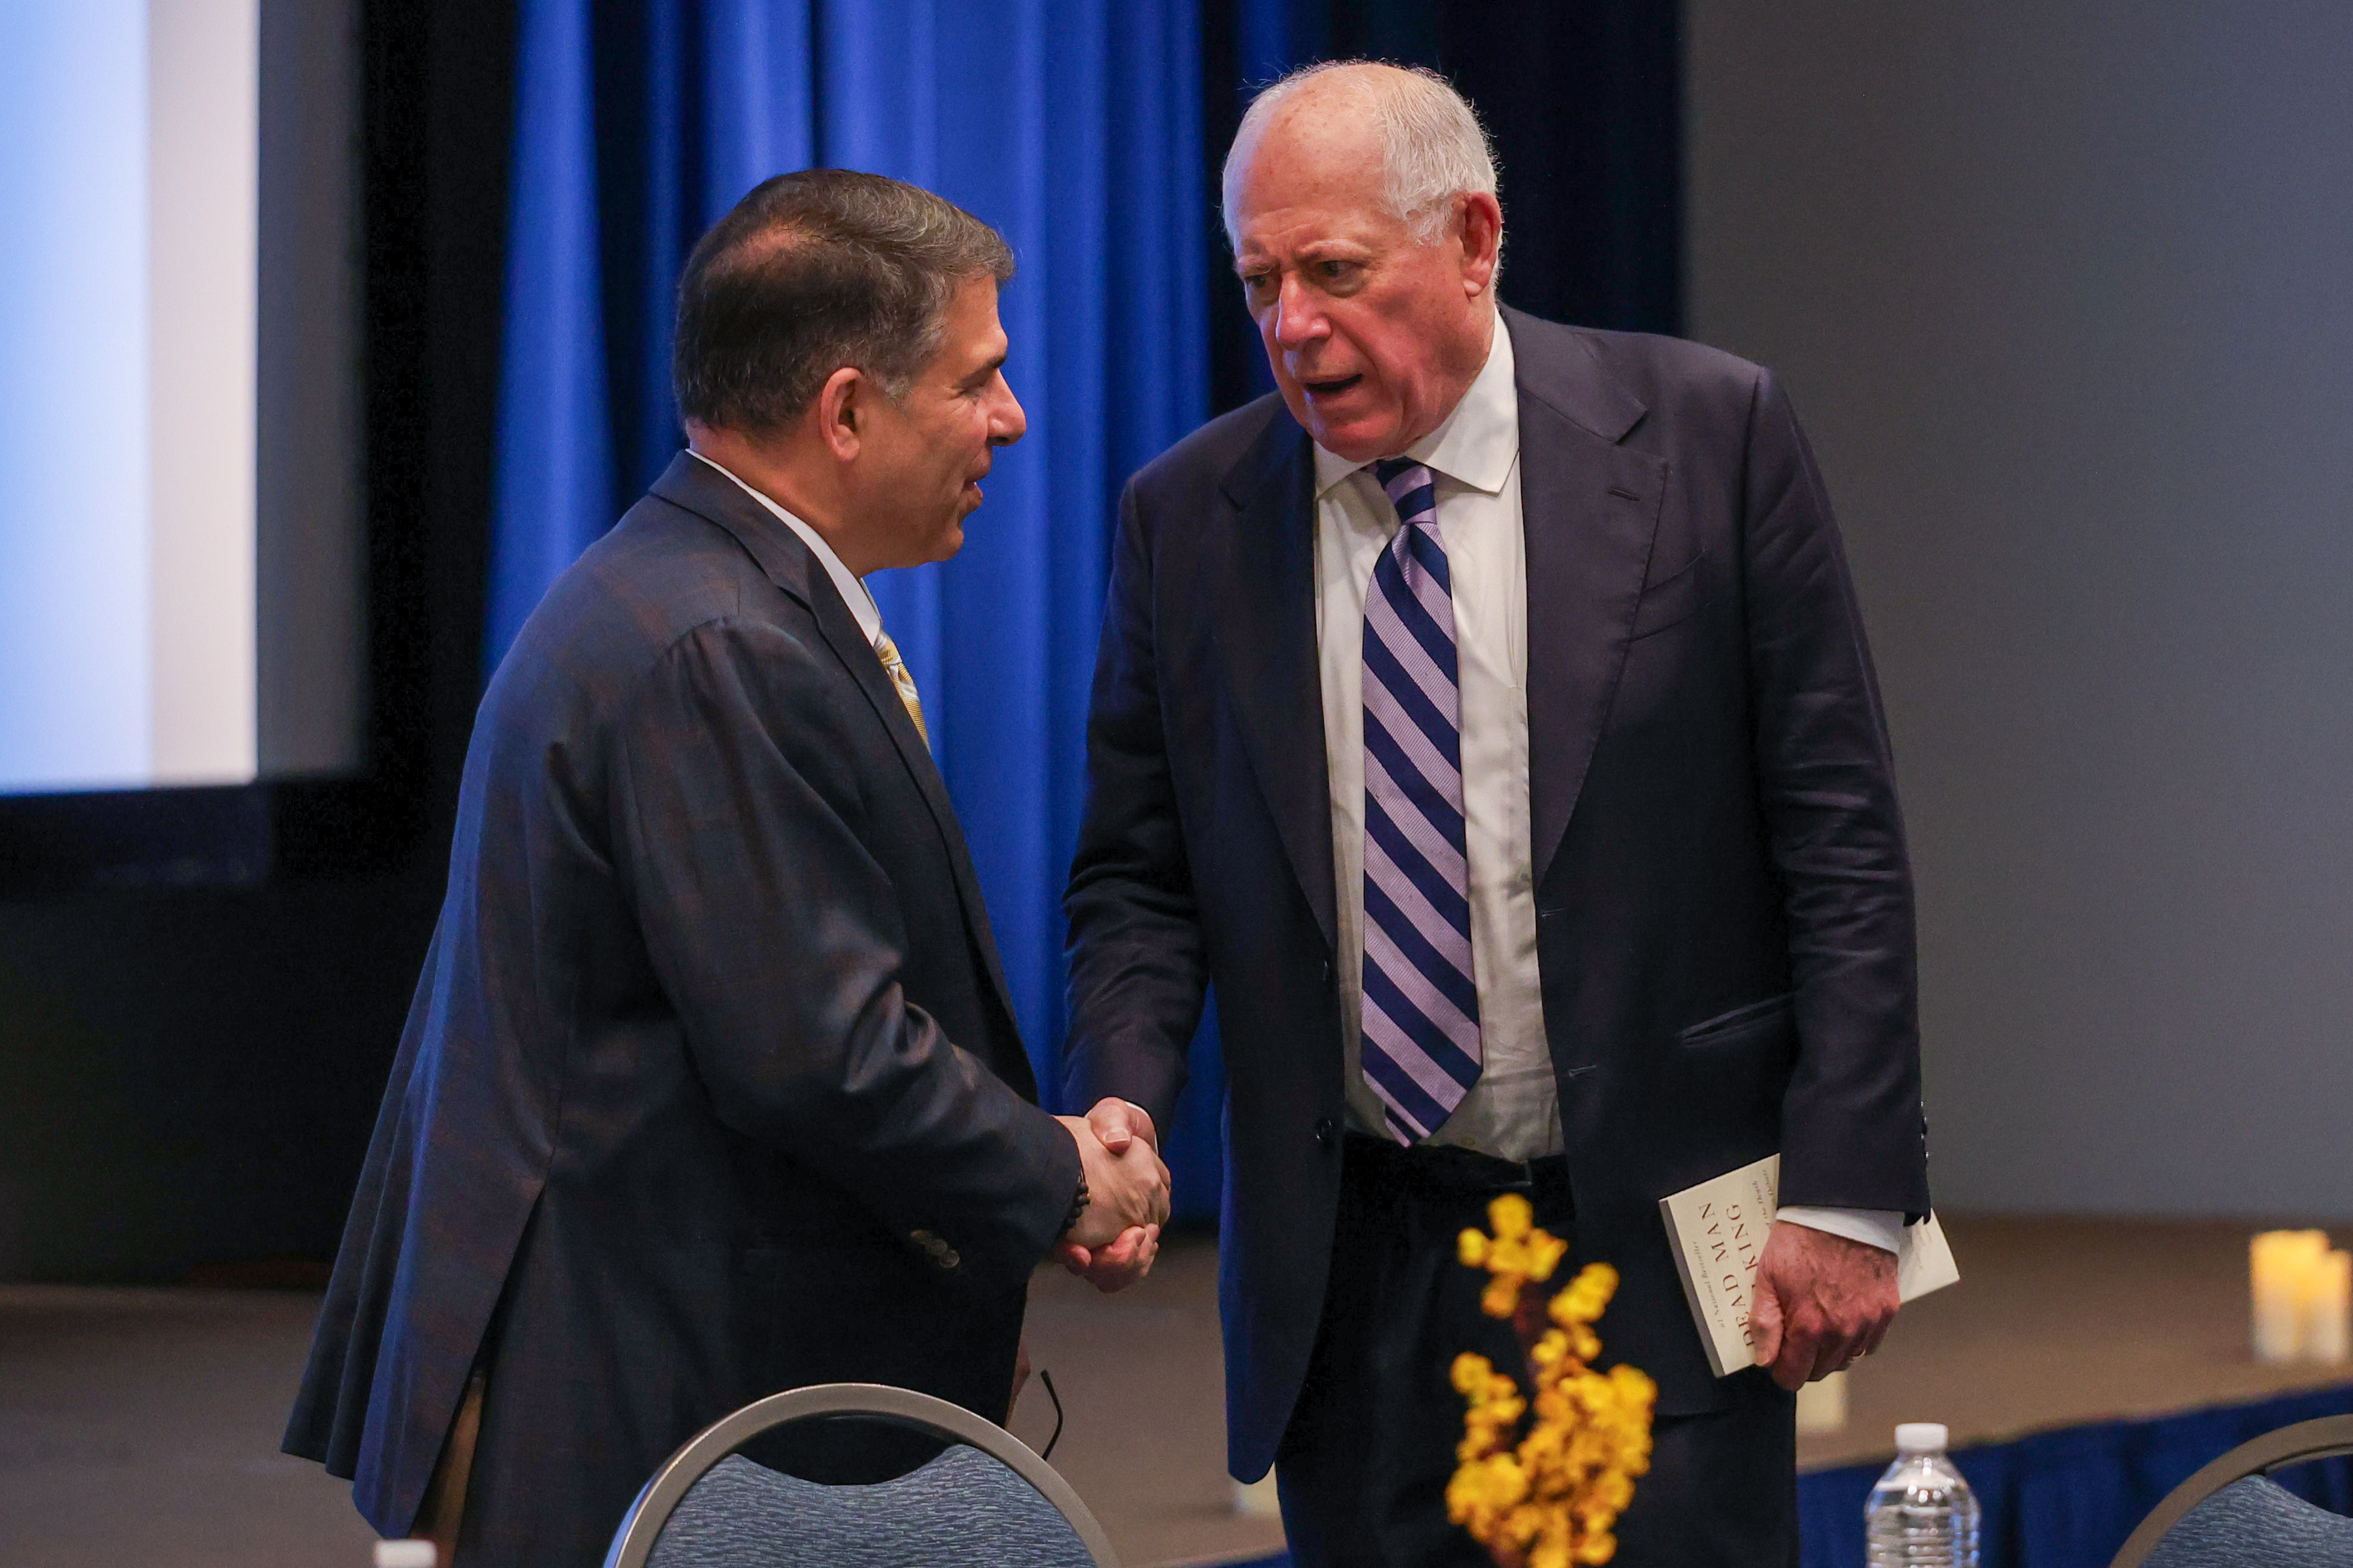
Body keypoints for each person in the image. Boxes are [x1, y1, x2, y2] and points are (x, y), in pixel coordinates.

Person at [1061, 62, 1930, 1565]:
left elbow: (1840, 837)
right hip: (1358, 1280)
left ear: (1473, 240)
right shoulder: (1189, 516)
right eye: (1261, 281)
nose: (1292, 325)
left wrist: (1851, 1191)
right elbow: (1139, 876)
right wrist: (1122, 1090)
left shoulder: (1708, 436)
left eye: (1335, 271)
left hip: (1653, 1243)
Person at [284, 168, 1168, 1567]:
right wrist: (1058, 1171)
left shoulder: (693, 588)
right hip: (656, 1403)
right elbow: (819, 1052)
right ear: (846, 410)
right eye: (977, 379)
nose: (1009, 418)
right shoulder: (719, 640)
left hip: (670, 1372)